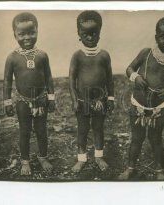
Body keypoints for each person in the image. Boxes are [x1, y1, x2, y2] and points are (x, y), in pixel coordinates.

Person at [118, 16, 164, 180]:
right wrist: (135, 77)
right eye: (163, 36)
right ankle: (130, 168)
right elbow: (129, 68)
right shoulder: (146, 54)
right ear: (156, 38)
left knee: (156, 139)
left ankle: (159, 170)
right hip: (138, 105)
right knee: (137, 139)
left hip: (158, 109)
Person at [3, 12, 55, 176]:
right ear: (15, 35)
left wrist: (51, 98)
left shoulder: (42, 56)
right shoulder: (12, 58)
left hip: (40, 100)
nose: (27, 37)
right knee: (24, 131)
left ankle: (43, 157)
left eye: (31, 32)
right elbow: (6, 82)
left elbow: (48, 77)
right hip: (22, 102)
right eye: (22, 34)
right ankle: (25, 161)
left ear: (37, 31)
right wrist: (7, 102)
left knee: (41, 131)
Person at [69, 10, 114, 173]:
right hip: (82, 101)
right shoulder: (77, 56)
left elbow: (109, 78)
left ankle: (99, 156)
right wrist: (75, 99)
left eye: (93, 33)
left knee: (98, 128)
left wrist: (110, 98)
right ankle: (81, 158)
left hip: (99, 101)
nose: (89, 37)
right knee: (82, 129)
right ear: (79, 34)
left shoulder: (104, 56)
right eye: (85, 34)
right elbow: (71, 79)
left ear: (100, 33)